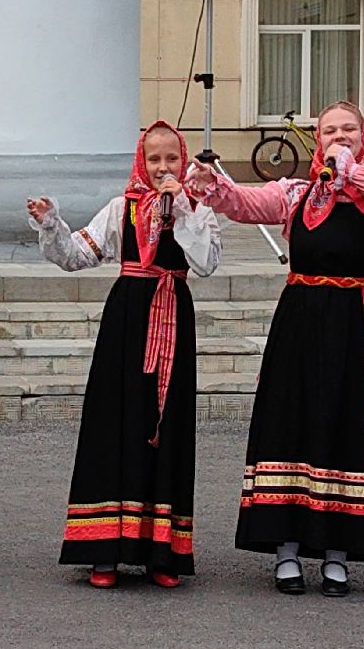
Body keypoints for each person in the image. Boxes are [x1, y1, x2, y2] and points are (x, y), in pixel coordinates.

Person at [185, 100, 364, 597]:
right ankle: (286, 547)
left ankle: (338, 553)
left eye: (348, 129)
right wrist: (215, 185)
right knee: (291, 422)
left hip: (358, 327)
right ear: (317, 138)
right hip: (300, 322)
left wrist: (350, 172)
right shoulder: (297, 194)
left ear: (363, 135)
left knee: (345, 426)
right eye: (329, 130)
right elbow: (247, 204)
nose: (339, 136)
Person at [27, 121, 220, 589]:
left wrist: (183, 212)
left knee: (165, 427)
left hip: (172, 313)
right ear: (141, 160)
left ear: (184, 160)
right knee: (116, 424)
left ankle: (162, 553)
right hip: (127, 321)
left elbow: (207, 263)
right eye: (154, 159)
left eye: (171, 158)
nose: (162, 168)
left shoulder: (199, 210)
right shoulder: (122, 209)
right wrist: (52, 224)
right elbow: (76, 256)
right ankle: (104, 550)